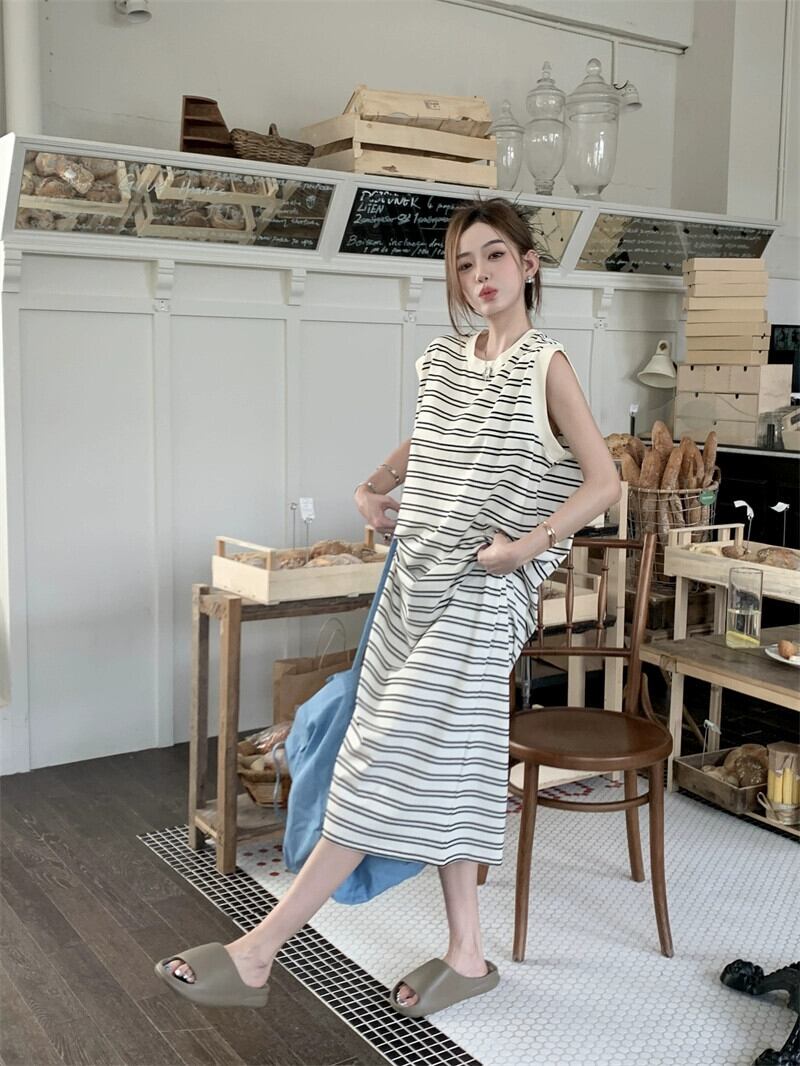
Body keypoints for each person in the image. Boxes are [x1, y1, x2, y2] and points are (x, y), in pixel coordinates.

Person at [155, 198, 620, 1018]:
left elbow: (605, 481)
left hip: (484, 592)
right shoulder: (442, 362)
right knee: (458, 765)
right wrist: (373, 487)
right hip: (413, 583)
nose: (479, 276)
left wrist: (526, 546)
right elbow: (429, 442)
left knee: (379, 760)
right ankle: (468, 954)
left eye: (494, 256)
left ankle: (258, 951)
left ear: (528, 264)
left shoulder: (546, 365)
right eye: (464, 264)